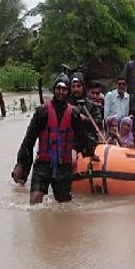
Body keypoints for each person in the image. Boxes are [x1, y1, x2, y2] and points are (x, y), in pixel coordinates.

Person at [11, 74, 98, 204]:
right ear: (54, 90)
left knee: (64, 207)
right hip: (43, 165)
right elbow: (29, 140)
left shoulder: (74, 114)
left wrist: (91, 153)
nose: (61, 92)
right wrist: (21, 164)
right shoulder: (42, 112)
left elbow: (82, 137)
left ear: (68, 92)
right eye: (58, 88)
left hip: (64, 167)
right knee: (34, 203)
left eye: (64, 89)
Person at [68, 72, 104, 141]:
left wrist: (85, 119)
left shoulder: (91, 105)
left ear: (83, 87)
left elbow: (99, 123)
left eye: (78, 86)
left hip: (88, 142)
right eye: (73, 86)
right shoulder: (66, 104)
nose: (76, 89)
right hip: (69, 142)